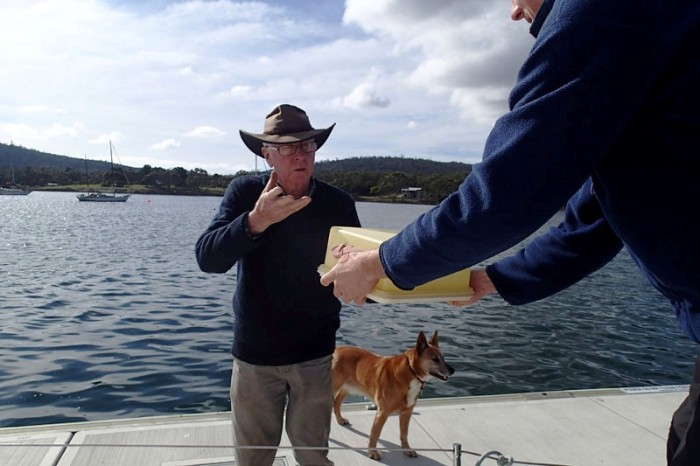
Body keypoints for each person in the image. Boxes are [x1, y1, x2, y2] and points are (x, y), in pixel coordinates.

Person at [320, 1, 700, 465]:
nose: (515, 13)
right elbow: (593, 224)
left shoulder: (598, 13)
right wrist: (492, 279)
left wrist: (380, 264)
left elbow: (509, 189)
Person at [196, 104, 361, 466]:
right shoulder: (244, 194)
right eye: (286, 147)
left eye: (307, 145)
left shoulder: (338, 203)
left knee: (314, 458)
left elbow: (360, 274)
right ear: (266, 154)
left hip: (316, 355)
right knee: (253, 460)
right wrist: (255, 221)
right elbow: (208, 259)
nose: (300, 154)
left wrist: (370, 282)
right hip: (256, 357)